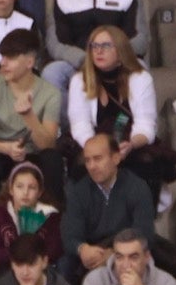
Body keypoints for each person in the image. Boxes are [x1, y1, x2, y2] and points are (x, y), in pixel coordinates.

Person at [66, 27, 164, 193]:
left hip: (129, 141)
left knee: (145, 164)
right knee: (83, 165)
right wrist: (99, 152)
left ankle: (142, 216)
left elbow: (146, 125)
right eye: (94, 46)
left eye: (106, 46)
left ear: (120, 49)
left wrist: (131, 145)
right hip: (93, 141)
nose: (99, 51)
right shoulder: (79, 80)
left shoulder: (140, 78)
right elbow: (80, 125)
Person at [0, 28, 64, 209]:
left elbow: (48, 144)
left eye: (11, 58)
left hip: (33, 153)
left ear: (30, 62)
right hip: (0, 151)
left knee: (52, 159)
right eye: (3, 57)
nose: (4, 63)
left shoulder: (51, 93)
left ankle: (54, 220)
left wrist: (29, 116)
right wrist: (6, 148)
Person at [46, 0, 146, 95]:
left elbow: (140, 39)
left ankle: (134, 119)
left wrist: (111, 56)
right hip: (78, 64)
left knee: (140, 68)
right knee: (52, 73)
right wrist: (83, 59)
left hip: (117, 62)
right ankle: (70, 120)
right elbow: (55, 43)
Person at [61, 126, 158, 285]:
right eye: (87, 160)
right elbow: (69, 235)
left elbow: (145, 233)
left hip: (126, 250)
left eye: (98, 158)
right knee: (65, 265)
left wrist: (115, 255)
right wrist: (82, 249)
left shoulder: (137, 187)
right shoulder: (77, 190)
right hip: (91, 252)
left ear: (116, 158)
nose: (91, 166)